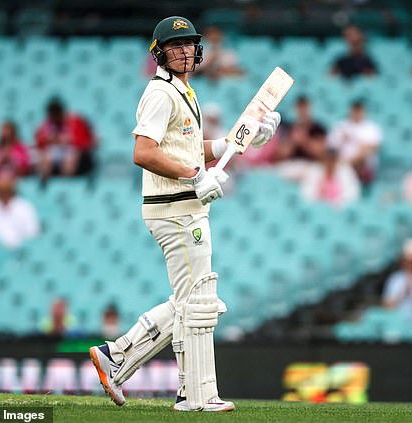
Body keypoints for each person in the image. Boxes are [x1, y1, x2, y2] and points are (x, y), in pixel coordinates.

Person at [88, 16, 280, 412]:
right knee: (197, 303)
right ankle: (195, 395)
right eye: (176, 46)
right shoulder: (160, 93)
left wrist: (237, 141)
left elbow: (189, 148)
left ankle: (118, 357)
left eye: (189, 44)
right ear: (159, 52)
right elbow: (143, 152)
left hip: (185, 205)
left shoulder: (183, 91)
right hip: (173, 208)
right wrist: (194, 176)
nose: (185, 51)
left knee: (189, 300)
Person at [34, 98, 96, 183]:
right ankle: (44, 181)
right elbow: (39, 143)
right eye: (52, 114)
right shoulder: (46, 125)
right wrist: (50, 141)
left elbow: (85, 142)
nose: (55, 117)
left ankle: (65, 185)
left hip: (72, 152)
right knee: (44, 156)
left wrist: (66, 141)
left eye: (56, 113)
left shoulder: (75, 121)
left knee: (70, 157)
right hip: (54, 153)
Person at [328, 100, 383, 184]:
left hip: (363, 165)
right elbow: (331, 146)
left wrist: (356, 144)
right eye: (355, 110)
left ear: (364, 111)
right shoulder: (341, 126)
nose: (357, 113)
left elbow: (375, 147)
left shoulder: (371, 128)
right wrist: (342, 141)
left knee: (365, 152)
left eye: (359, 110)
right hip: (342, 162)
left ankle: (346, 167)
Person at [275, 96, 327, 182]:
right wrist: (292, 142)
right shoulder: (290, 127)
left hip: (311, 165)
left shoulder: (318, 128)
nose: (302, 110)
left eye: (304, 107)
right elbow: (281, 155)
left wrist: (304, 141)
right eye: (300, 107)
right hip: (292, 165)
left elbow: (321, 154)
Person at [0, 170, 40, 249]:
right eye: (1, 190)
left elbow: (32, 232)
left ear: (12, 190)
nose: (3, 193)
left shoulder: (24, 207)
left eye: (6, 189)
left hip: (21, 251)